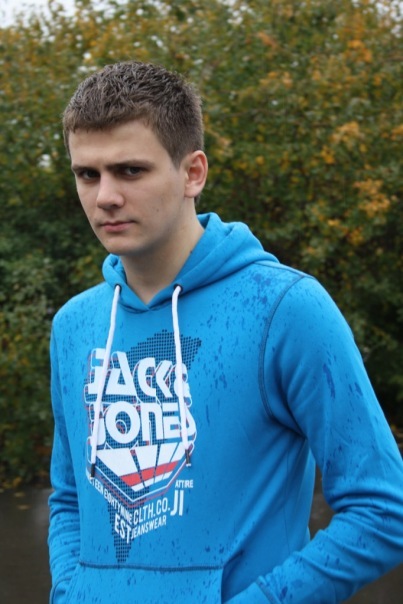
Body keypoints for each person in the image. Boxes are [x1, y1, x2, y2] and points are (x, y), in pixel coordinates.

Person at [48, 60, 403, 604]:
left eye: (131, 171)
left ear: (193, 173)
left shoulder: (285, 309)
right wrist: (72, 591)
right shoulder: (74, 326)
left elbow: (384, 509)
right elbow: (70, 499)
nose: (105, 197)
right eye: (87, 174)